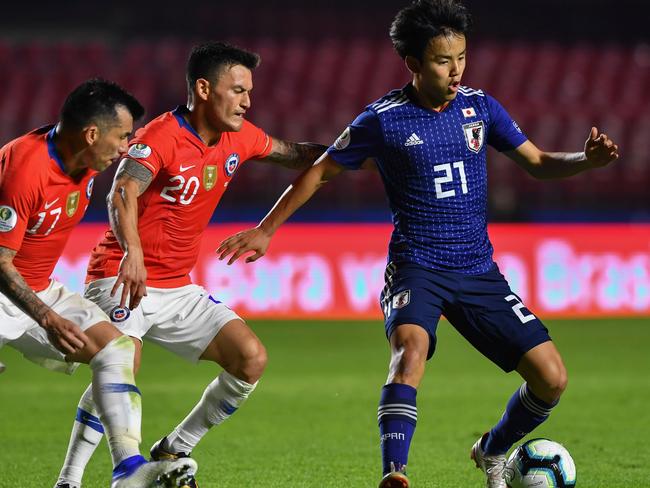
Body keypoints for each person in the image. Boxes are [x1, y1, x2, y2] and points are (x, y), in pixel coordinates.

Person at [215, 1, 620, 487]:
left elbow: (536, 161)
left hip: (476, 270)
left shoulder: (480, 107)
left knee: (552, 379)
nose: (456, 71)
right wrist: (266, 228)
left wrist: (585, 160)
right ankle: (395, 473)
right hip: (417, 267)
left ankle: (490, 450)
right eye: (443, 61)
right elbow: (319, 171)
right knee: (410, 353)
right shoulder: (382, 121)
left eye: (462, 58)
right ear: (412, 63)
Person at [54, 42, 327, 488]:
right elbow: (122, 192)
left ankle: (175, 447)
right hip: (120, 275)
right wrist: (134, 254)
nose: (247, 101)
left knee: (251, 358)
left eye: (249, 92)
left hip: (179, 287)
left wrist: (350, 151)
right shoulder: (161, 136)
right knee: (122, 361)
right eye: (237, 90)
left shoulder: (241, 136)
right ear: (204, 88)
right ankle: (71, 479)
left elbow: (295, 153)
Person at [0, 79, 198, 488]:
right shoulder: (25, 168)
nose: (126, 147)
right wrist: (50, 320)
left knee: (115, 349)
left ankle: (129, 471)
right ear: (92, 133)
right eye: (122, 136)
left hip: (35, 289)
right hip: (8, 289)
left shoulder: (84, 163)